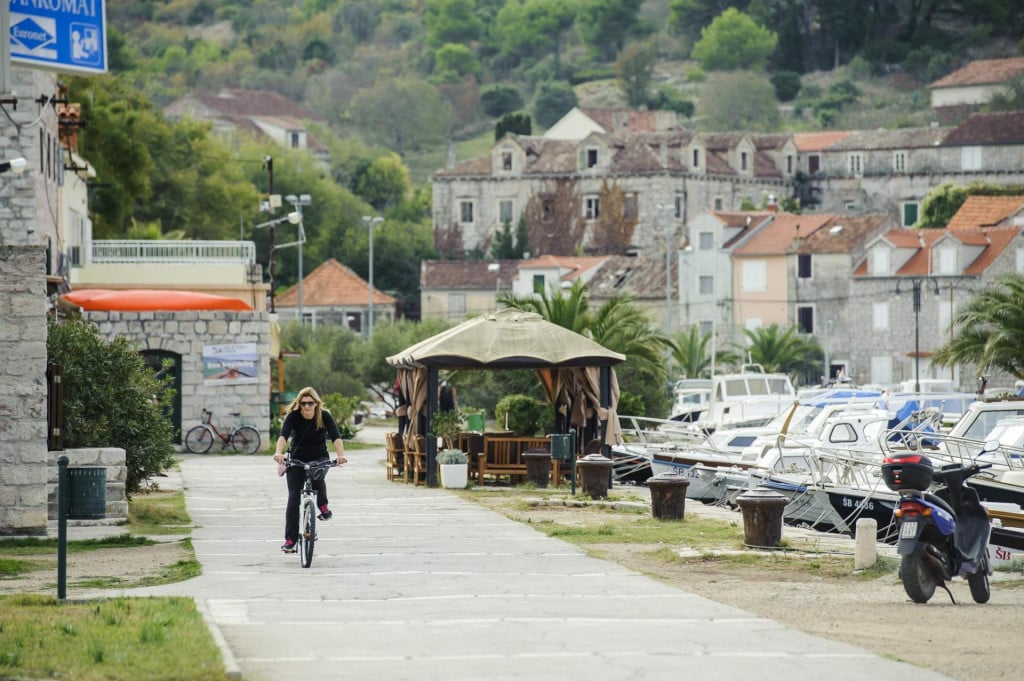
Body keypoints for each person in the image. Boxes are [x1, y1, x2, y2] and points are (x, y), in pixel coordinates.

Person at [273, 387, 347, 553]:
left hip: (318, 457)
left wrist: (341, 455)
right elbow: (283, 435)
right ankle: (290, 539)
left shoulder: (324, 415)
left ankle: (323, 506)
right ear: (299, 404)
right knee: (293, 499)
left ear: (316, 403)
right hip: (296, 458)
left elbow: (336, 436)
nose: (306, 407)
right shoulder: (293, 416)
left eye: (310, 403)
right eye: (303, 403)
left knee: (318, 475)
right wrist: (278, 452)